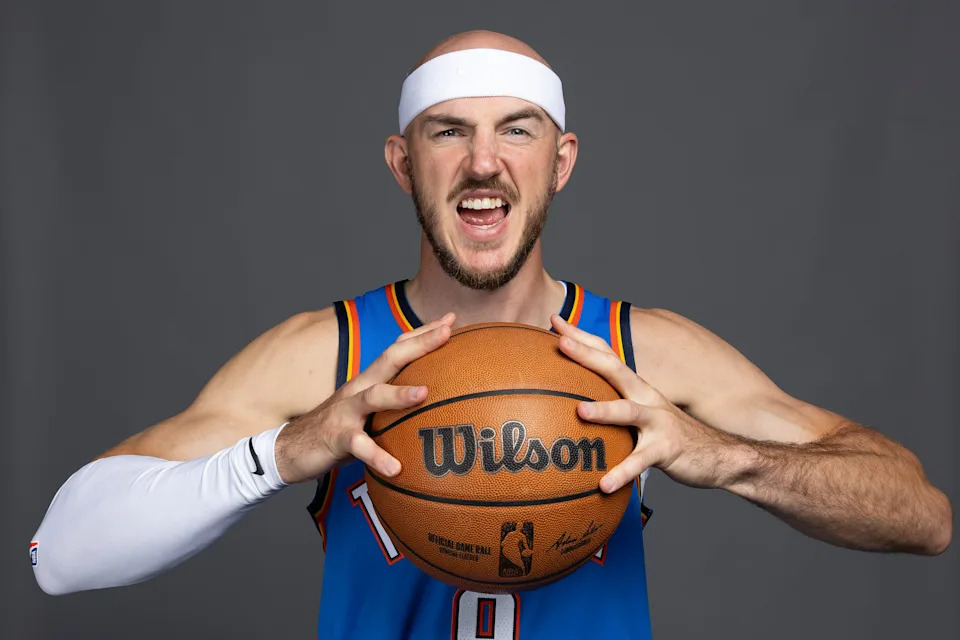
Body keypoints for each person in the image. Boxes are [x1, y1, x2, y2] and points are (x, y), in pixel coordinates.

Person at [31, 30, 951, 639]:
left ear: (562, 159)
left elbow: (924, 518)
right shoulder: (327, 357)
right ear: (402, 163)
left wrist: (728, 457)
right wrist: (280, 451)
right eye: (448, 133)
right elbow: (58, 558)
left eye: (518, 130)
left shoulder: (644, 353)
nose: (483, 162)